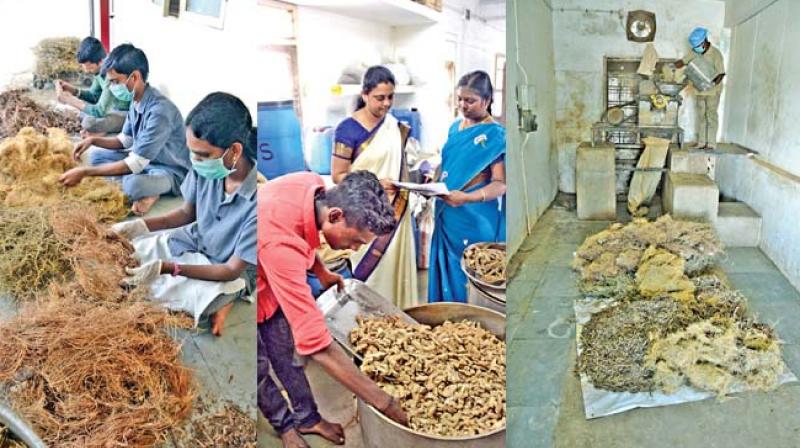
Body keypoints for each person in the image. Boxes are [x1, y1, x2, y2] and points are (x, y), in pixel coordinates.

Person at [258, 170, 408, 448]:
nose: (352, 250)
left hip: (272, 275)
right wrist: (384, 402)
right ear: (336, 216)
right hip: (252, 287)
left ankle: (307, 418)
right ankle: (285, 428)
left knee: (285, 355)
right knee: (259, 368)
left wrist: (321, 270)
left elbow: (301, 233)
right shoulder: (279, 246)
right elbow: (318, 347)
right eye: (355, 241)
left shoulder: (313, 186)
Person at [110, 92, 256, 336]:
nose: (195, 161)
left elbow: (230, 269)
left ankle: (233, 296)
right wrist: (138, 226)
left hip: (228, 266)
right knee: (136, 251)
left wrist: (168, 268)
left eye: (203, 155)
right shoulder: (206, 168)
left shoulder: (258, 200)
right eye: (192, 152)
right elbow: (185, 214)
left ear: (234, 151)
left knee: (199, 296)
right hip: (197, 240)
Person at [327, 65, 425, 308]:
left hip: (395, 211)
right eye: (379, 98)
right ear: (365, 95)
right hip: (362, 212)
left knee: (394, 267)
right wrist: (372, 184)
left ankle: (396, 316)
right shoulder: (348, 129)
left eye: (390, 97)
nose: (386, 104)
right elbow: (338, 175)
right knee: (367, 269)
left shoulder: (394, 127)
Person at [59, 43, 191, 216]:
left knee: (132, 186)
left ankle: (153, 191)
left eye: (115, 82)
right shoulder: (136, 101)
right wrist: (92, 140)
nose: (113, 87)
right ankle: (145, 188)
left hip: (167, 169)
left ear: (134, 77)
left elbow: (134, 163)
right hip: (143, 160)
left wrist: (85, 172)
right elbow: (124, 141)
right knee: (97, 155)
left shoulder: (160, 112)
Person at [428, 70, 506, 303]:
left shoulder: (495, 136)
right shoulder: (455, 128)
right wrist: (431, 184)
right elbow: (448, 166)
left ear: (487, 101)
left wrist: (468, 198)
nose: (463, 105)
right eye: (460, 99)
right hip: (447, 212)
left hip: (475, 214)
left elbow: (501, 184)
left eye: (470, 101)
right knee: (448, 270)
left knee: (473, 270)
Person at [55, 37, 130, 136]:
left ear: (100, 61)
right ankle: (102, 130)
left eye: (90, 67)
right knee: (83, 112)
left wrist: (70, 100)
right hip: (110, 109)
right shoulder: (100, 70)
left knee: (88, 122)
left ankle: (102, 131)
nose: (87, 71)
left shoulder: (111, 74)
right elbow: (94, 96)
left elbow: (99, 111)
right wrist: (73, 90)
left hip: (126, 113)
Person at [675, 27, 725, 149]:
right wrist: (672, 65)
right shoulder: (695, 52)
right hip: (699, 90)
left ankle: (711, 144)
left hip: (713, 90)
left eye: (698, 46)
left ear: (704, 42)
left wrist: (711, 85)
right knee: (702, 116)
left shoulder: (716, 54)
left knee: (711, 116)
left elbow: (721, 73)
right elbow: (682, 62)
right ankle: (702, 142)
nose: (696, 48)